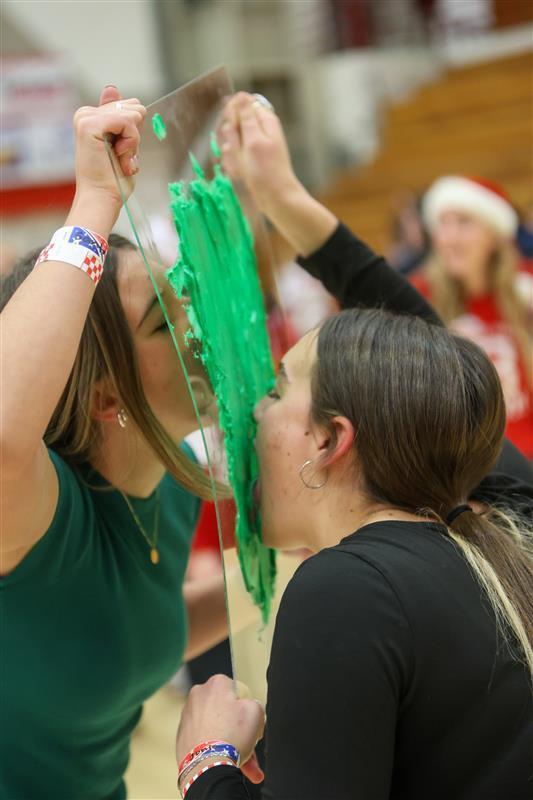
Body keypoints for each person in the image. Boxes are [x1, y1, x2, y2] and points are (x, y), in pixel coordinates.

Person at [174, 93, 533, 800]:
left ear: (332, 438)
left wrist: (205, 763)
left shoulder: (346, 590)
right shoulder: (505, 526)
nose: (253, 412)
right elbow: (437, 372)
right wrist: (283, 197)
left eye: (277, 389)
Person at [0, 87, 232, 800]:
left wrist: (291, 567)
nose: (197, 325)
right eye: (165, 320)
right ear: (106, 397)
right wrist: (94, 203)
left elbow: (131, 637)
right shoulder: (37, 516)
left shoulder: (174, 478)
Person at [410, 175, 533, 459]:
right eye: (442, 223)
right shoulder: (417, 296)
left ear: (495, 236)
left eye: (464, 222)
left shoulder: (525, 291)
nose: (449, 238)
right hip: (461, 462)